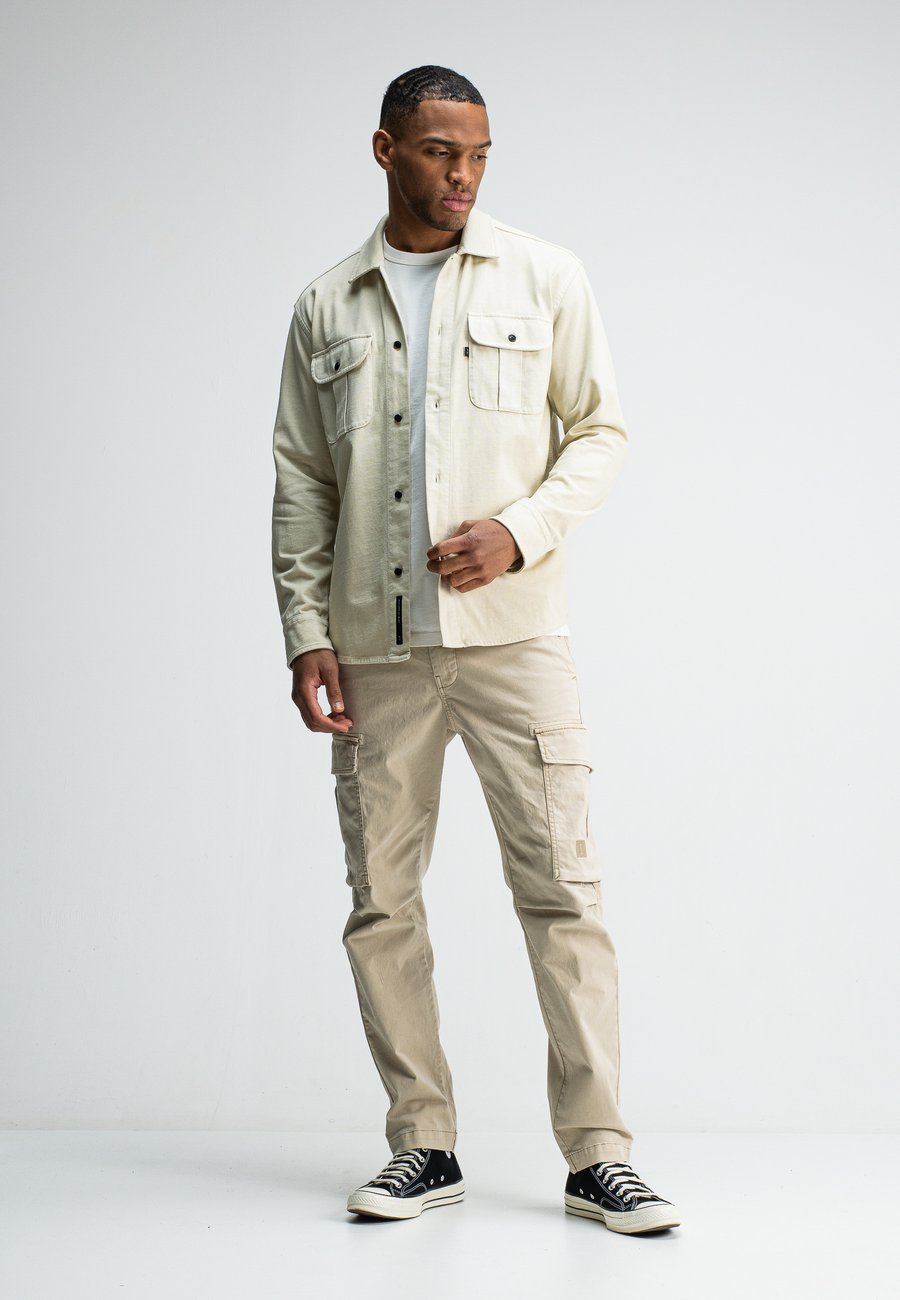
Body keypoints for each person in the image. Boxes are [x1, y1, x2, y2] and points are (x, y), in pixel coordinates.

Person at [270, 64, 680, 1235]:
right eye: (442, 151)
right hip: (374, 646)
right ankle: (423, 1144)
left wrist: (521, 529)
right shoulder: (326, 305)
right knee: (382, 903)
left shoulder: (546, 276)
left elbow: (600, 430)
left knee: (564, 891)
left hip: (516, 640)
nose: (464, 175)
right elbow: (302, 480)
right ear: (386, 150)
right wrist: (306, 633)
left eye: (480, 154)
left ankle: (599, 1155)